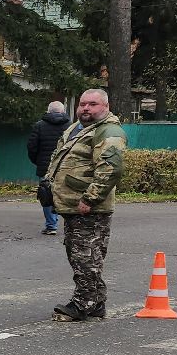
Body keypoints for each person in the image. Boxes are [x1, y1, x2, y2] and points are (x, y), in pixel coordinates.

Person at [44, 88, 126, 322]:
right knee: (79, 254)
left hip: (89, 207)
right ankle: (96, 302)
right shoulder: (77, 128)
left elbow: (111, 169)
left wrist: (90, 198)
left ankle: (83, 303)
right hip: (72, 204)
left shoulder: (108, 131)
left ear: (106, 107)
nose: (86, 108)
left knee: (85, 257)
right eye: (83, 104)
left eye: (93, 104)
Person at [26, 100, 70, 235]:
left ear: (48, 111)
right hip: (66, 166)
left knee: (46, 193)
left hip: (45, 166)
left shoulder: (39, 126)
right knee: (66, 194)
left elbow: (32, 147)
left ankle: (51, 225)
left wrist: (37, 161)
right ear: (63, 111)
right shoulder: (71, 126)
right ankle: (70, 224)